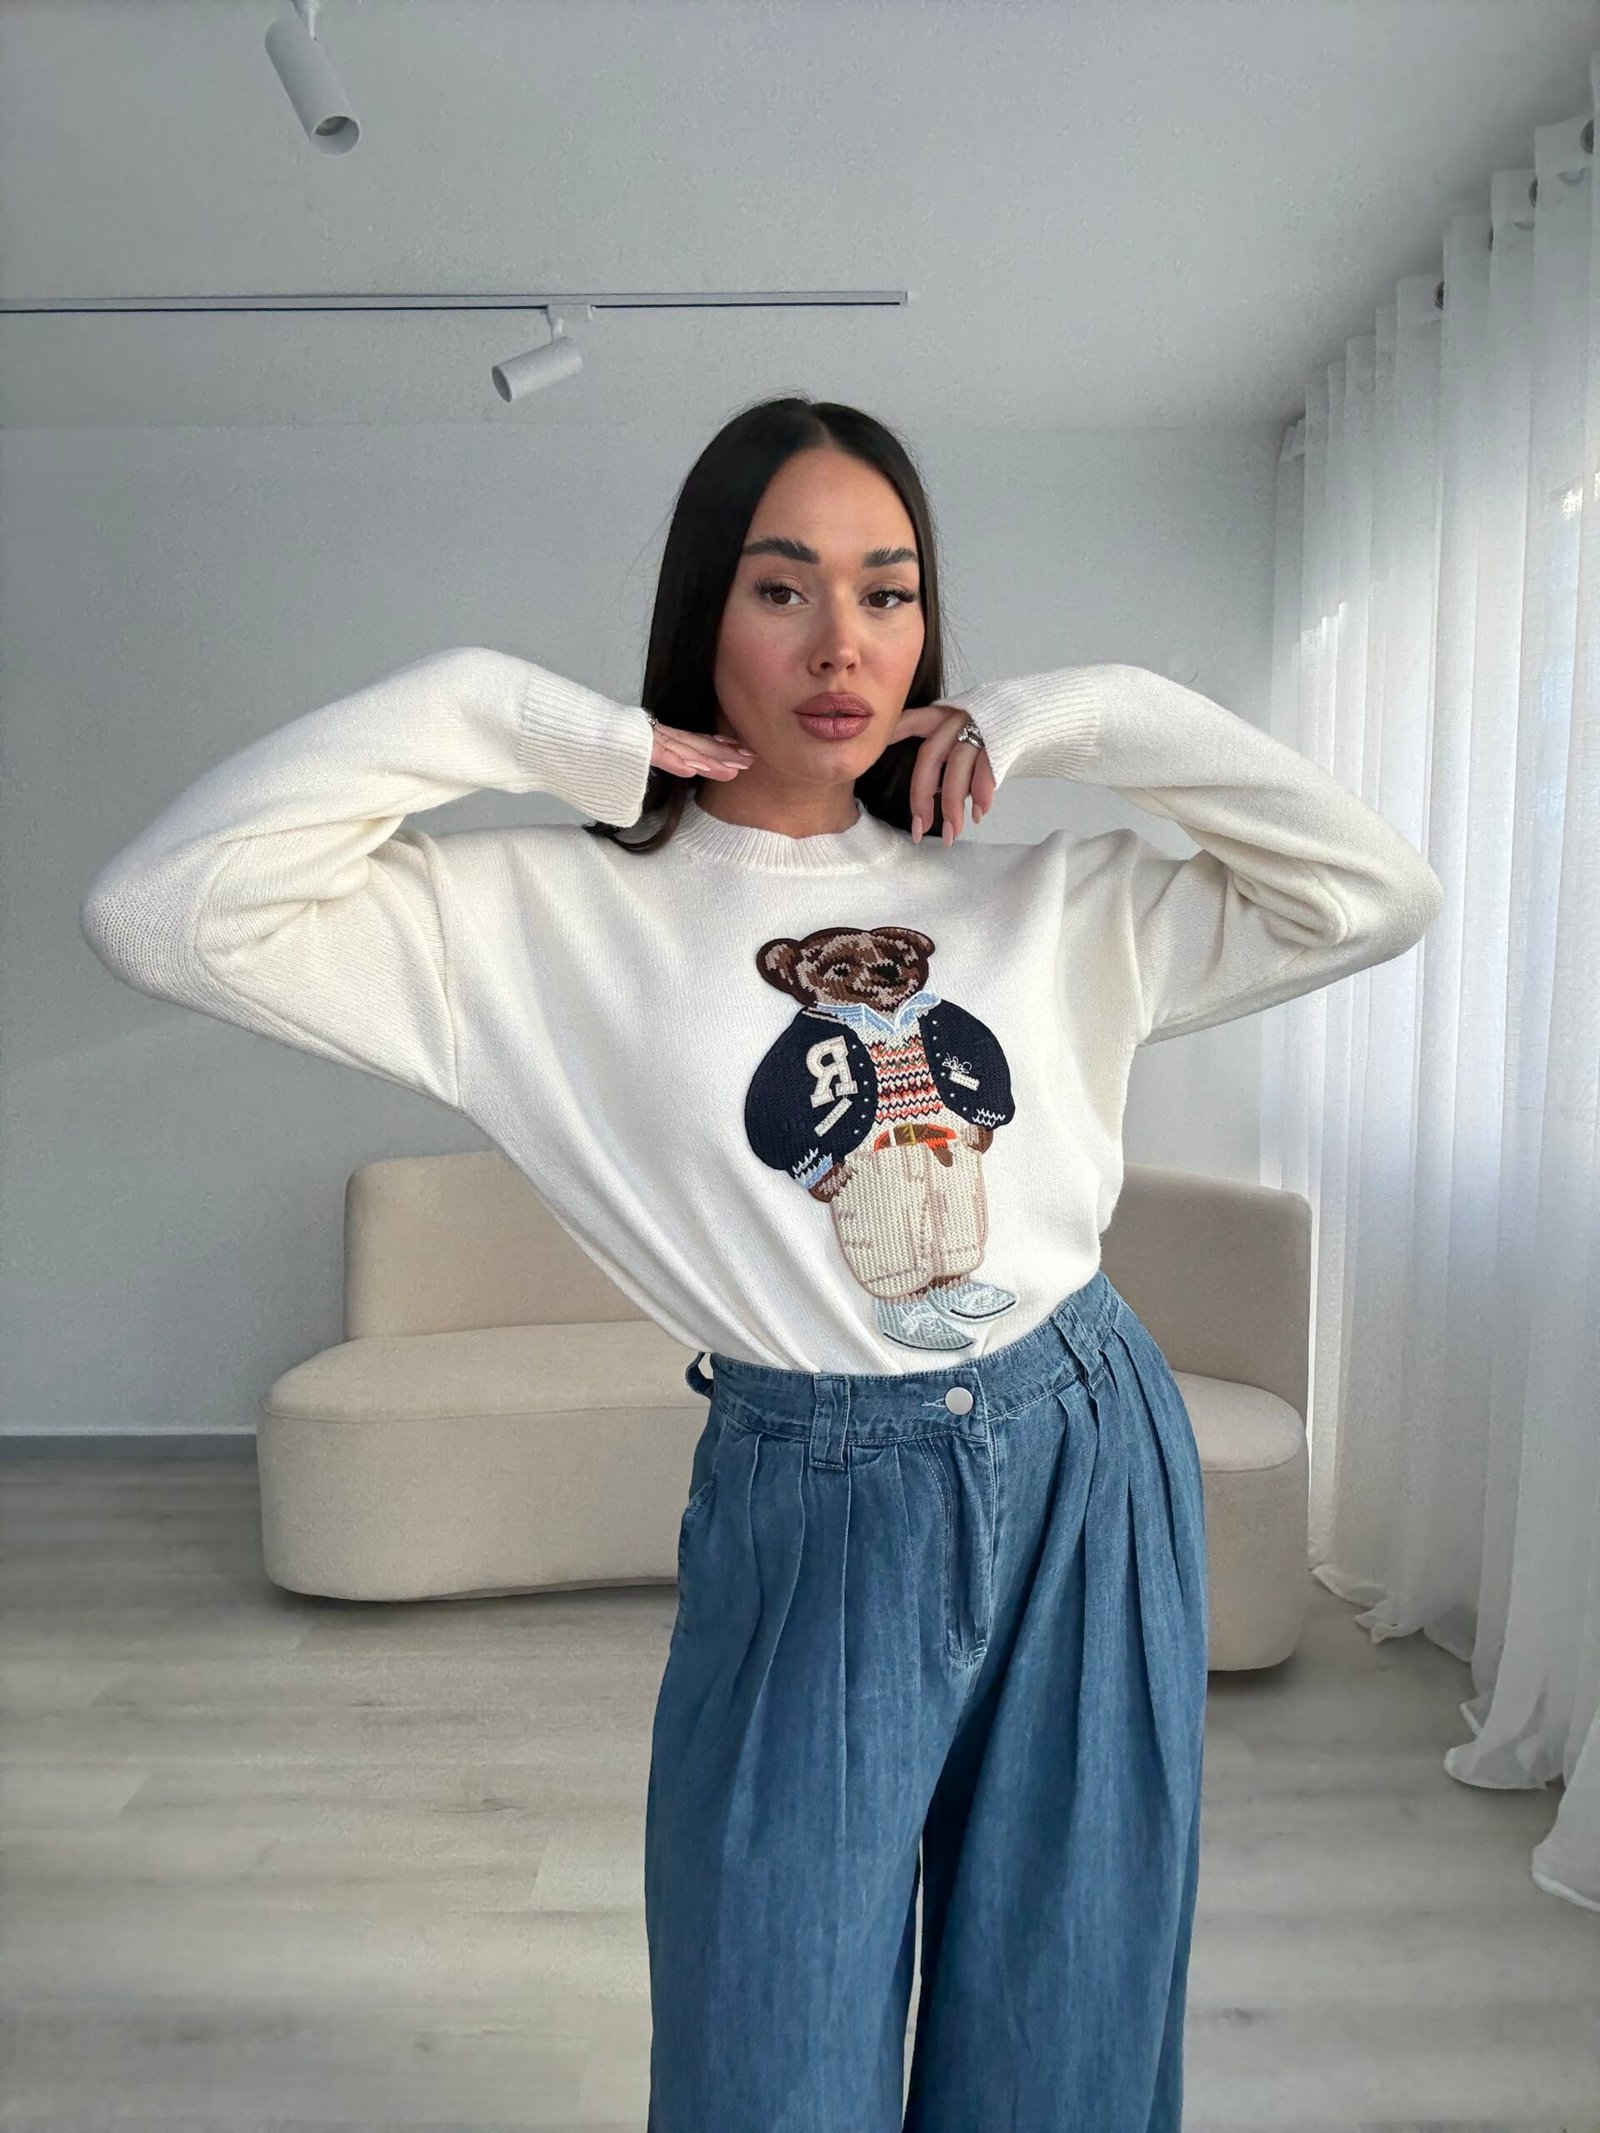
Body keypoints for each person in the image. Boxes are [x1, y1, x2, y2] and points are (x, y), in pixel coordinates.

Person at [79, 395, 1444, 2132]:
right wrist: (511, 716)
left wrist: (1078, 712)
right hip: (815, 1494)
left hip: (1088, 1448)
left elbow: (1375, 894)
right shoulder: (539, 918)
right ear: (703, 614)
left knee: (1071, 2045)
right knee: (766, 2060)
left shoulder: (1045, 896)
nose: (842, 643)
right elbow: (163, 910)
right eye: (782, 586)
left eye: (890, 591)